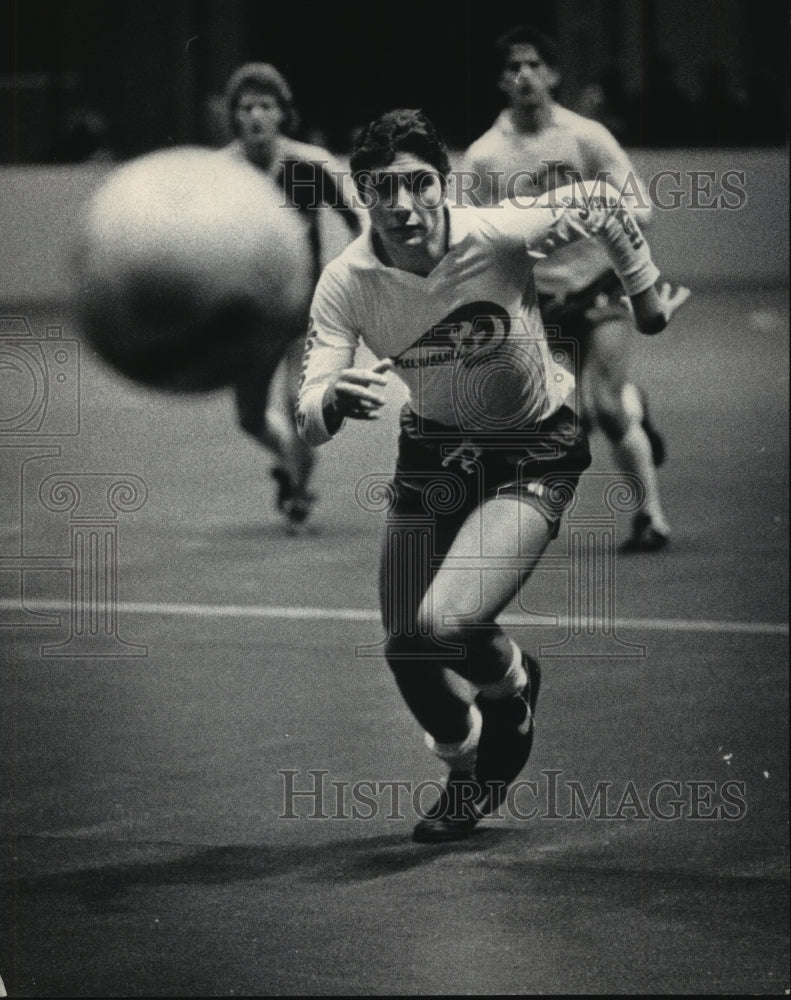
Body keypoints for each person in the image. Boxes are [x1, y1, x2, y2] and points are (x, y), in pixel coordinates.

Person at [296, 109, 688, 842]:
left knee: (445, 624)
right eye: (383, 190)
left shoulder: (496, 232)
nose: (403, 205)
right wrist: (330, 401)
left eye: (417, 184)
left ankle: (508, 692)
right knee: (407, 650)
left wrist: (644, 299)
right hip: (431, 458)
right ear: (364, 194)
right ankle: (464, 764)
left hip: (530, 451)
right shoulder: (345, 281)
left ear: (442, 184)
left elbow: (603, 203)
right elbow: (308, 408)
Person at [463, 26, 684, 552]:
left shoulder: (586, 137)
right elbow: (472, 236)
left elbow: (642, 208)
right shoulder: (485, 156)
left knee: (604, 406)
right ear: (500, 80)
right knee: (566, 419)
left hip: (599, 285)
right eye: (513, 68)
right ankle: (633, 404)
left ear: (553, 74)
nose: (524, 76)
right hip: (539, 300)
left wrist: (585, 215)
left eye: (534, 65)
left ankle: (651, 517)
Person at [221, 63, 362, 528]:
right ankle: (288, 463)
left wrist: (360, 277)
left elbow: (358, 223)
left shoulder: (311, 165)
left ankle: (298, 491)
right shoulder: (220, 174)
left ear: (283, 114)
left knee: (298, 405)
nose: (257, 115)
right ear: (234, 116)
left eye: (267, 106)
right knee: (248, 418)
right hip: (249, 318)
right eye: (247, 107)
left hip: (305, 309)